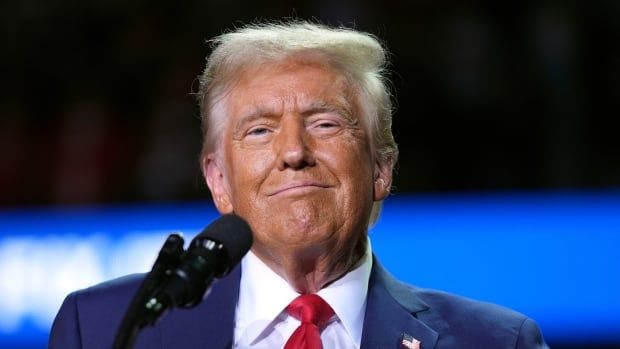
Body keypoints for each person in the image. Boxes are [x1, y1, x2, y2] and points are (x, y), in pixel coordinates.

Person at [49, 21, 549, 349]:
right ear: (218, 181)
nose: (293, 152)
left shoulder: (498, 342)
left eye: (326, 123)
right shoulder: (104, 329)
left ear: (381, 169)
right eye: (260, 130)